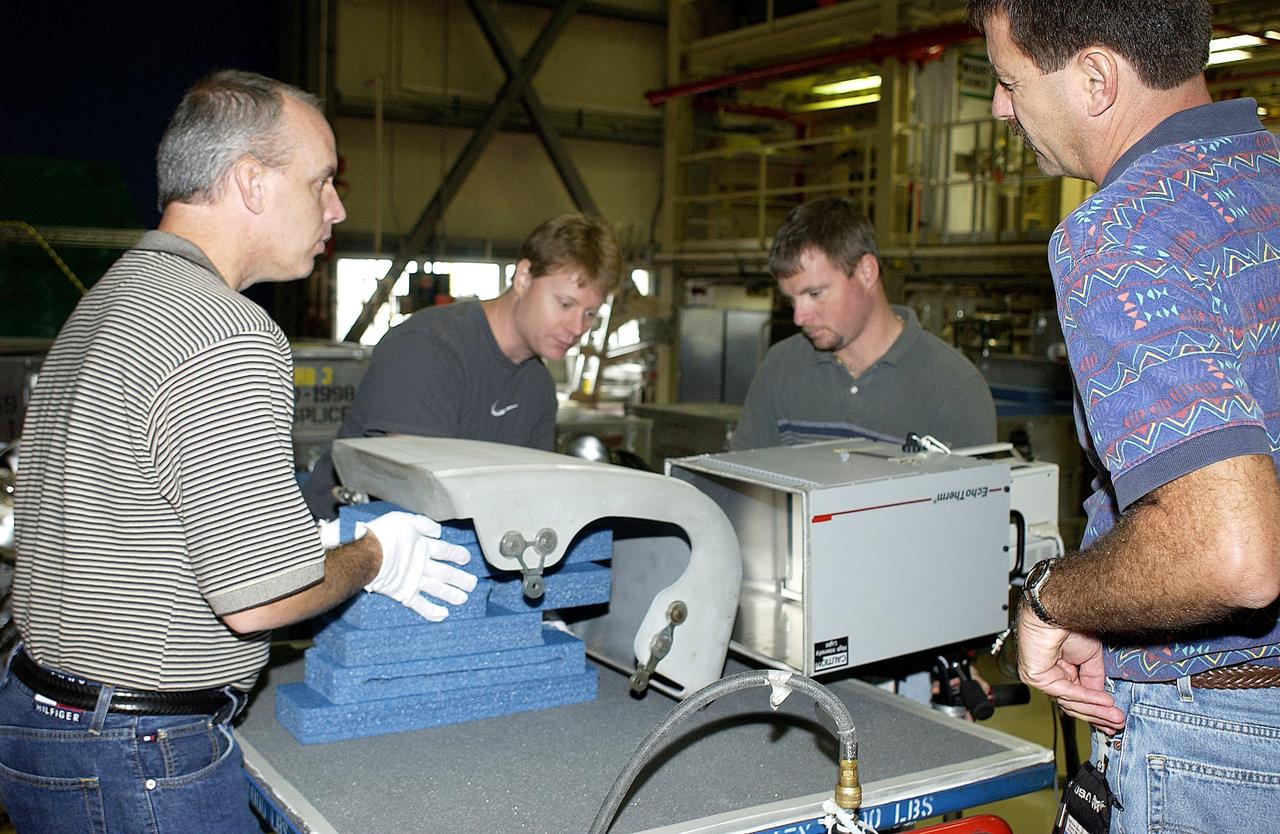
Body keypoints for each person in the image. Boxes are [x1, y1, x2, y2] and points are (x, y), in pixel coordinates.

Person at [0, 70, 477, 833]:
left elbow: (126, 519)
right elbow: (262, 600)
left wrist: (291, 537)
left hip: (39, 722)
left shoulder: (107, 300)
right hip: (137, 756)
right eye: (322, 181)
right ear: (252, 181)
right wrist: (371, 555)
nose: (337, 208)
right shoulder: (227, 331)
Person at [968, 0, 1280, 827]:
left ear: (1097, 78)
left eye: (1008, 80)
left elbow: (1231, 552)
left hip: (1223, 750)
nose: (1001, 107)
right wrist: (1132, 604)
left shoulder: (1119, 231)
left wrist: (1052, 601)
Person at [302, 212, 622, 520]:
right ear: (523, 277)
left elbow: (529, 495)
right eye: (565, 304)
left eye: (590, 313)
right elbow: (418, 492)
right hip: (341, 541)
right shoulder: (429, 347)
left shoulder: (537, 388)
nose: (577, 326)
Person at [731, 197, 996, 452]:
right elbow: (743, 489)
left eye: (814, 294)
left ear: (866, 272)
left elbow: (971, 496)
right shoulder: (780, 368)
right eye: (792, 300)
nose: (799, 318)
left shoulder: (955, 387)